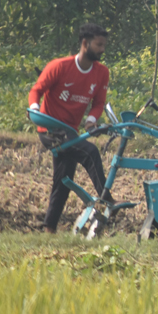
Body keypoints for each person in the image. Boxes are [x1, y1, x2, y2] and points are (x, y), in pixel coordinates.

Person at [29, 23, 112, 233]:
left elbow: (99, 103)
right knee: (90, 151)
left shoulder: (102, 73)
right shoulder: (59, 66)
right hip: (50, 130)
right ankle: (108, 200)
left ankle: (49, 228)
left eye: (104, 45)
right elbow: (36, 90)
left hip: (70, 132)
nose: (102, 49)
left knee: (64, 179)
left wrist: (91, 120)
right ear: (85, 44)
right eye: (99, 44)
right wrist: (35, 110)